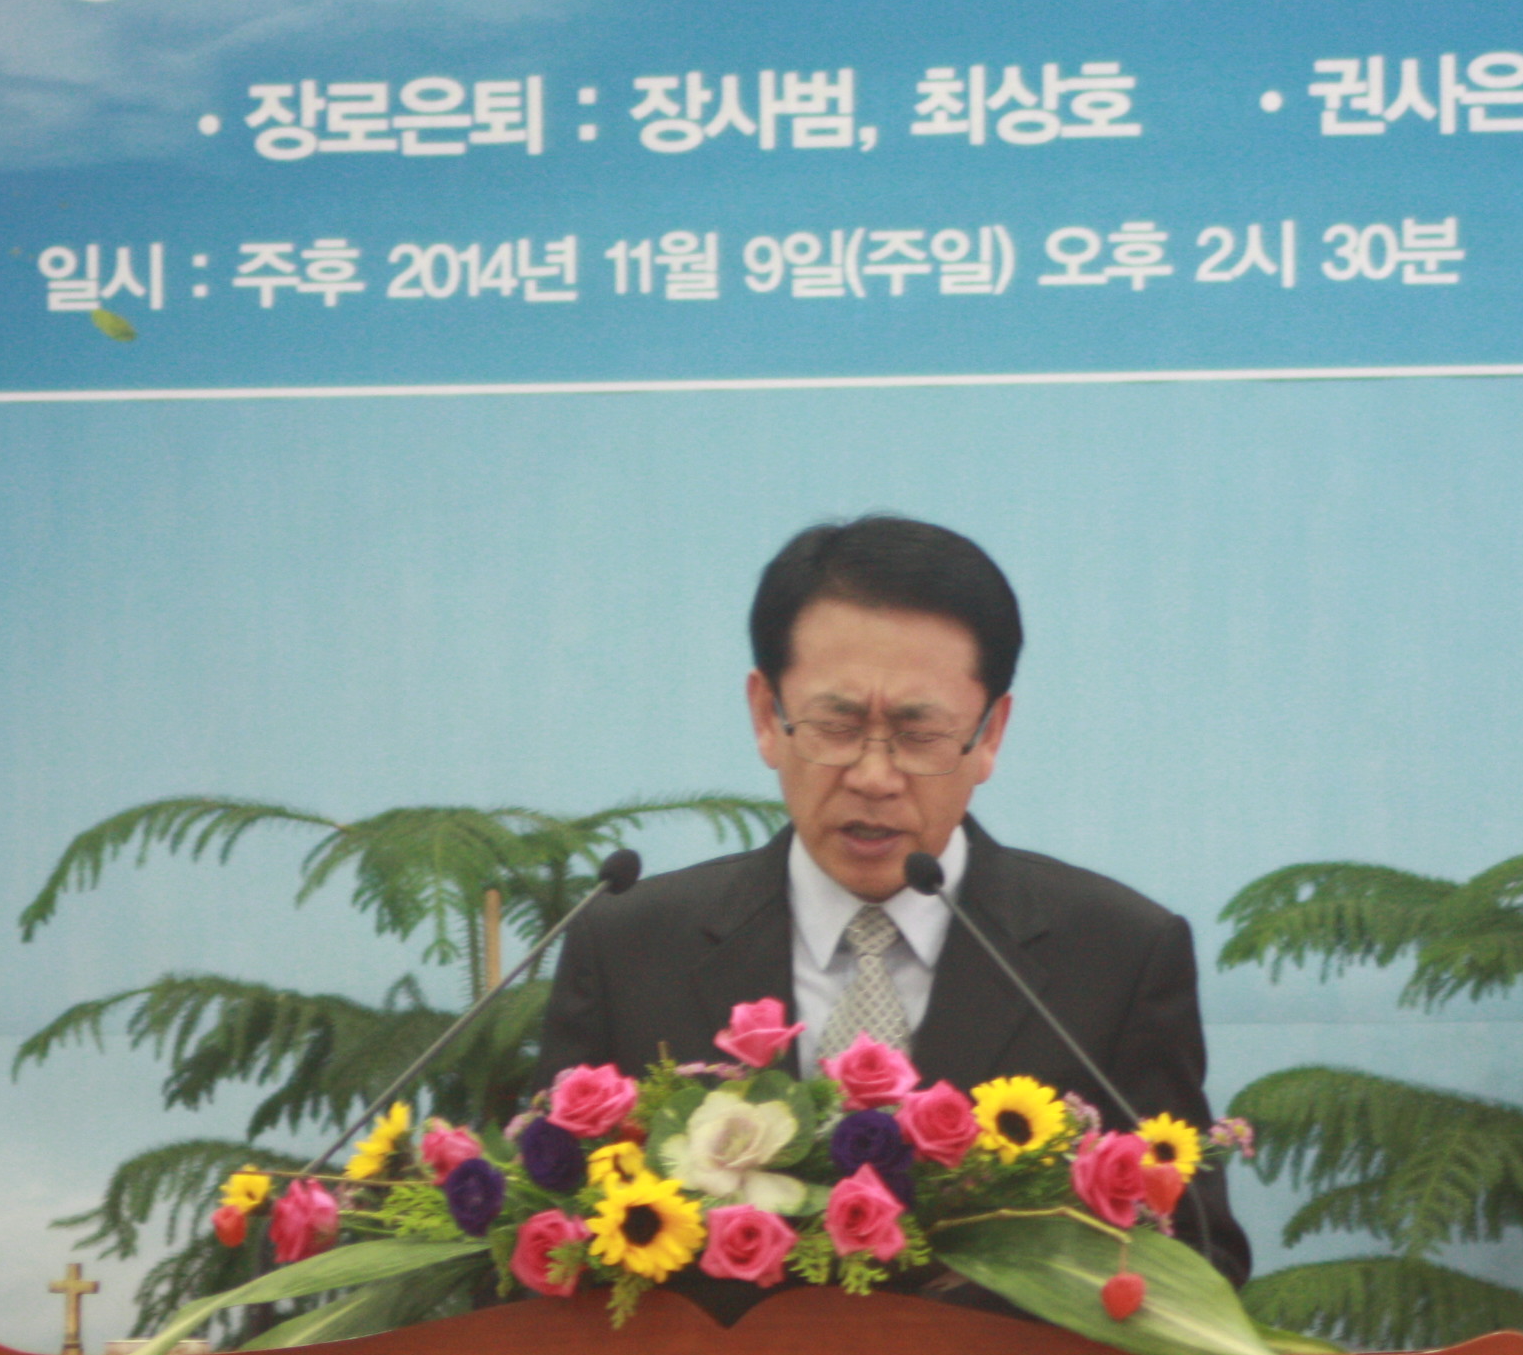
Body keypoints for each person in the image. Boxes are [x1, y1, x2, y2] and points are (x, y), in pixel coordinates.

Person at [535, 514, 1249, 1284]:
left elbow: (1194, 1260)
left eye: (919, 734)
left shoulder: (1116, 957)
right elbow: (545, 1245)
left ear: (989, 734)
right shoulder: (631, 948)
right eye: (836, 725)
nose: (874, 776)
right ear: (767, 716)